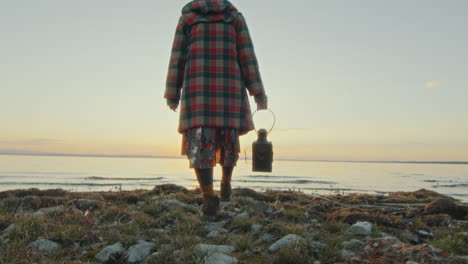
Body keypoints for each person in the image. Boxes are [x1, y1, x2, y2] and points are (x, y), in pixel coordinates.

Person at [165, 0, 268, 219]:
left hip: (197, 90)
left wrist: (172, 93)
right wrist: (258, 92)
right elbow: (248, 57)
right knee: (227, 140)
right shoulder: (234, 19)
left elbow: (177, 59)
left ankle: (209, 194)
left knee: (200, 143)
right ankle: (225, 183)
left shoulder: (188, 19)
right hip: (228, 88)